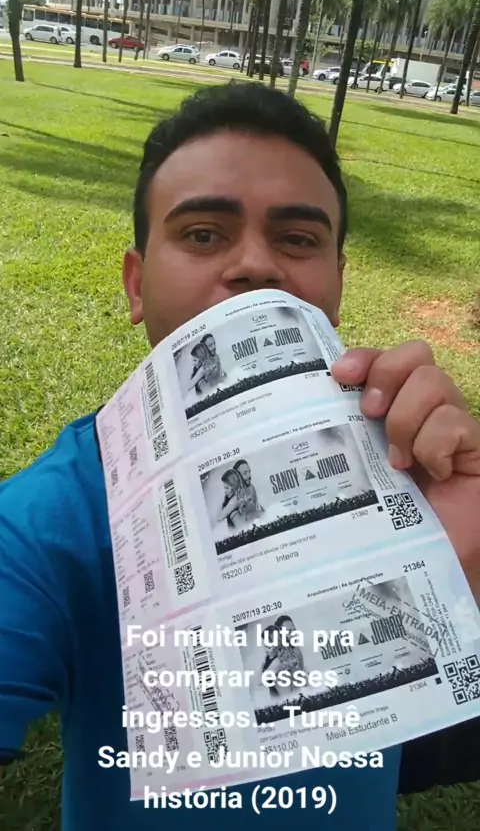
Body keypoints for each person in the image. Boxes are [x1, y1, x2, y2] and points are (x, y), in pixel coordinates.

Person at [1, 82, 480, 831]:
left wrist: (464, 573)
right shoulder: (52, 519)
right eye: (202, 234)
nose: (255, 263)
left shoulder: (411, 469)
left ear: (337, 280)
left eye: (298, 240)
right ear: (136, 284)